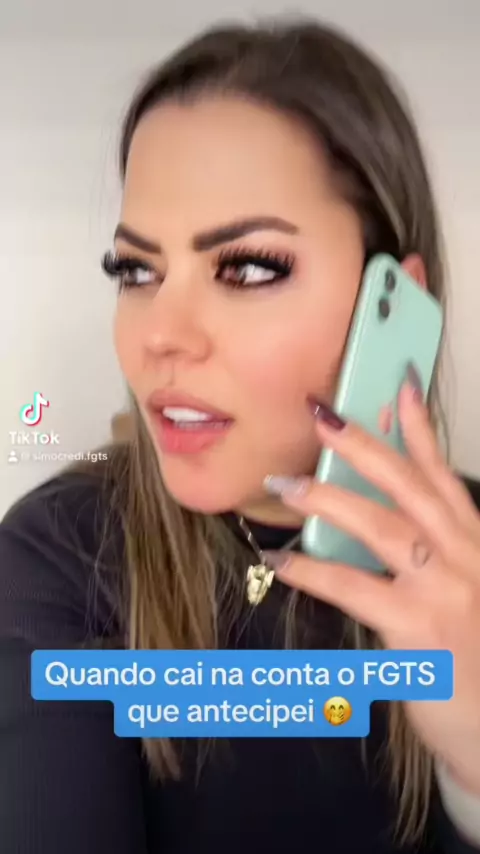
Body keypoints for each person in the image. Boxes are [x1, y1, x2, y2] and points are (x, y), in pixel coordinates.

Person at [1, 17, 480, 854]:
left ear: (396, 301)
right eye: (136, 270)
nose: (160, 335)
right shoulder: (60, 555)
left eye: (249, 267)